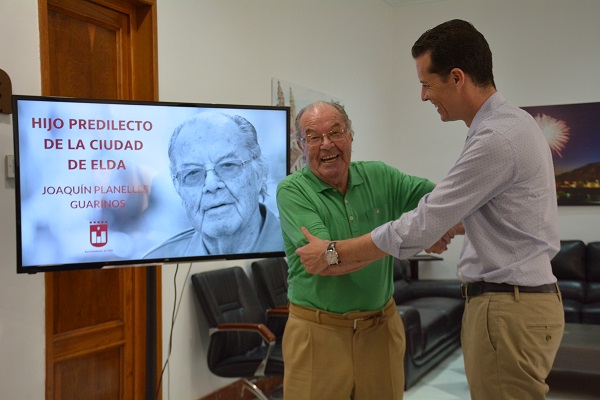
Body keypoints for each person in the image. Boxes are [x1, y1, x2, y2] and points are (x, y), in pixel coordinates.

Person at [295, 19, 564, 400]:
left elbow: (424, 219)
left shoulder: (495, 138)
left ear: (457, 78)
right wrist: (438, 226)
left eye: (427, 83)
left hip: (507, 307)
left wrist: (336, 252)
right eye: (313, 137)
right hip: (513, 303)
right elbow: (448, 215)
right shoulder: (510, 126)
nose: (423, 96)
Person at [276, 100, 437, 400]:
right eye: (313, 137)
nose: (327, 144)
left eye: (335, 132)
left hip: (381, 329)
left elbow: (444, 203)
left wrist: (433, 230)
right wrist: (399, 240)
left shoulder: (381, 176)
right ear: (301, 146)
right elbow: (326, 263)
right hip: (317, 334)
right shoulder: (292, 190)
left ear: (350, 135)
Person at [144, 111, 283, 258]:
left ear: (259, 173)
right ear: (178, 187)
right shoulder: (155, 261)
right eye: (193, 173)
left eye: (228, 165)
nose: (211, 185)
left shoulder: (298, 247)